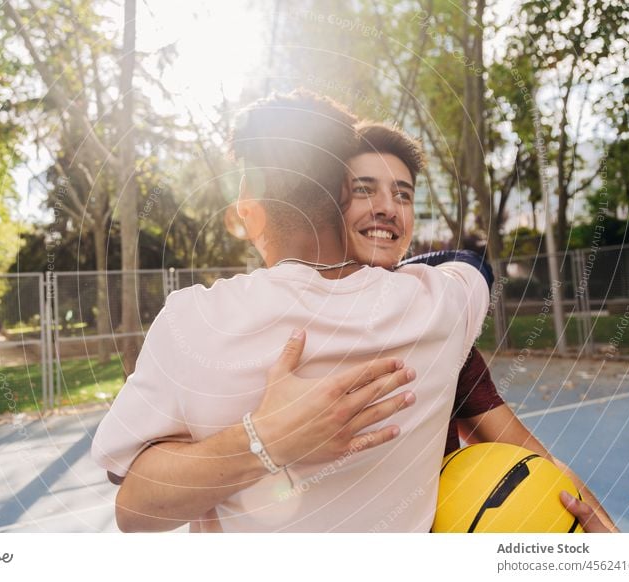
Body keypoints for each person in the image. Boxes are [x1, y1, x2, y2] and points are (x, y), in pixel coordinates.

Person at [91, 90, 490, 532]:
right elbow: (473, 267)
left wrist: (260, 443)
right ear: (343, 193)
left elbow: (132, 508)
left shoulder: (194, 320)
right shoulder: (440, 306)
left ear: (249, 204)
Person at [327, 120, 616, 532]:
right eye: (363, 188)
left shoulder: (435, 330)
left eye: (402, 194)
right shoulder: (277, 326)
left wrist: (608, 538)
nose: (388, 207)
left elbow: (530, 456)